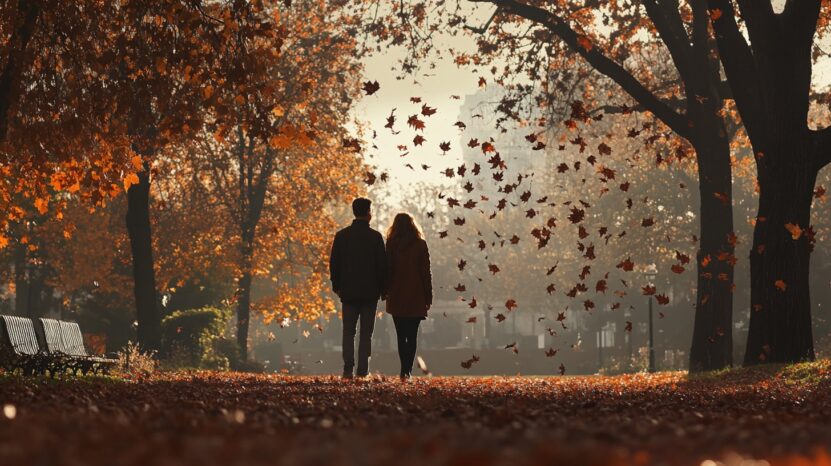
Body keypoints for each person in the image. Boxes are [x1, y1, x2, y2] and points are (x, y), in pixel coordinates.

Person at [329, 198, 387, 379]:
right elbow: (382, 266)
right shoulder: (375, 237)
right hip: (370, 293)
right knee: (366, 334)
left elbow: (334, 264)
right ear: (368, 212)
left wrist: (337, 286)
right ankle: (363, 370)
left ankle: (348, 368)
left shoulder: (342, 236)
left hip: (348, 292)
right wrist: (383, 289)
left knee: (348, 331)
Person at [385, 213, 432, 381]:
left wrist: (385, 291)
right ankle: (407, 370)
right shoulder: (420, 245)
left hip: (397, 295)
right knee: (412, 336)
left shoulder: (391, 245)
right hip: (415, 295)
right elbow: (426, 273)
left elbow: (387, 270)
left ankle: (403, 368)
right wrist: (428, 296)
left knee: (400, 335)